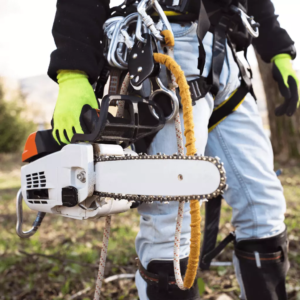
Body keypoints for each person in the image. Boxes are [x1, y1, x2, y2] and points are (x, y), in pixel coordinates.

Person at [48, 0, 299, 299]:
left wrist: (280, 51)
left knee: (265, 209)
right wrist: (73, 73)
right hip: (164, 46)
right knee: (170, 225)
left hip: (228, 54)